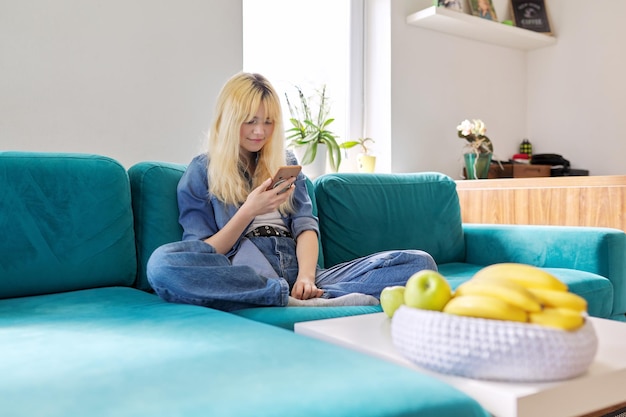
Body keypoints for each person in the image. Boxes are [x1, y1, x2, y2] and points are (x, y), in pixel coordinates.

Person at [147, 72, 437, 312]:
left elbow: (305, 226)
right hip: (248, 273)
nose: (260, 131)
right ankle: (281, 297)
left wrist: (307, 277)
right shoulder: (201, 171)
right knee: (162, 266)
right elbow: (206, 252)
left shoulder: (285, 162)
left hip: (302, 268)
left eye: (268, 121)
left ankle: (310, 296)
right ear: (229, 119)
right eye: (250, 120)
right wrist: (249, 210)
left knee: (420, 263)